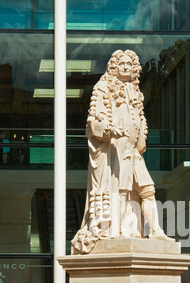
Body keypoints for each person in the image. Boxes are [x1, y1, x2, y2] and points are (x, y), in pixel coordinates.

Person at [72, 49, 172, 254]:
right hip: (116, 151)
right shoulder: (103, 87)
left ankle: (155, 230)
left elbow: (140, 120)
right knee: (121, 190)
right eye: (122, 64)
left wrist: (142, 133)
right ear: (114, 67)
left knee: (148, 189)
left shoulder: (135, 91)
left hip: (134, 152)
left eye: (129, 64)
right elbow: (93, 122)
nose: (126, 67)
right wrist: (110, 130)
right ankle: (118, 230)